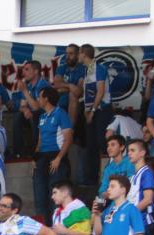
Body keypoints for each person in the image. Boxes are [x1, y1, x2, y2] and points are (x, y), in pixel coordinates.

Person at [33, 87, 73, 224]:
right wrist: (35, 158)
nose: (38, 99)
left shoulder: (61, 113)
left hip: (56, 157)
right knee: (40, 195)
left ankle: (57, 227)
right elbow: (40, 140)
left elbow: (68, 138)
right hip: (42, 158)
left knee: (55, 194)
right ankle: (43, 228)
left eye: (40, 96)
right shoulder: (42, 116)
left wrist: (59, 158)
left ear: (46, 98)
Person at [80, 44, 114, 187]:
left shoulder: (99, 68)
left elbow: (100, 91)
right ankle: (92, 179)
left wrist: (92, 111)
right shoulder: (87, 70)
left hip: (102, 110)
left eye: (79, 53)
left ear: (84, 54)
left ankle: (110, 175)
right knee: (91, 145)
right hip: (91, 111)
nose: (78, 56)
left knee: (102, 142)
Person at [54, 43, 86, 127]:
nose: (67, 56)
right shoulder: (61, 67)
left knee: (72, 95)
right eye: (66, 53)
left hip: (77, 104)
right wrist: (71, 86)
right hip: (60, 101)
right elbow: (57, 84)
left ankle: (70, 129)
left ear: (77, 55)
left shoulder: (83, 68)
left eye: (71, 54)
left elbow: (78, 91)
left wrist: (64, 87)